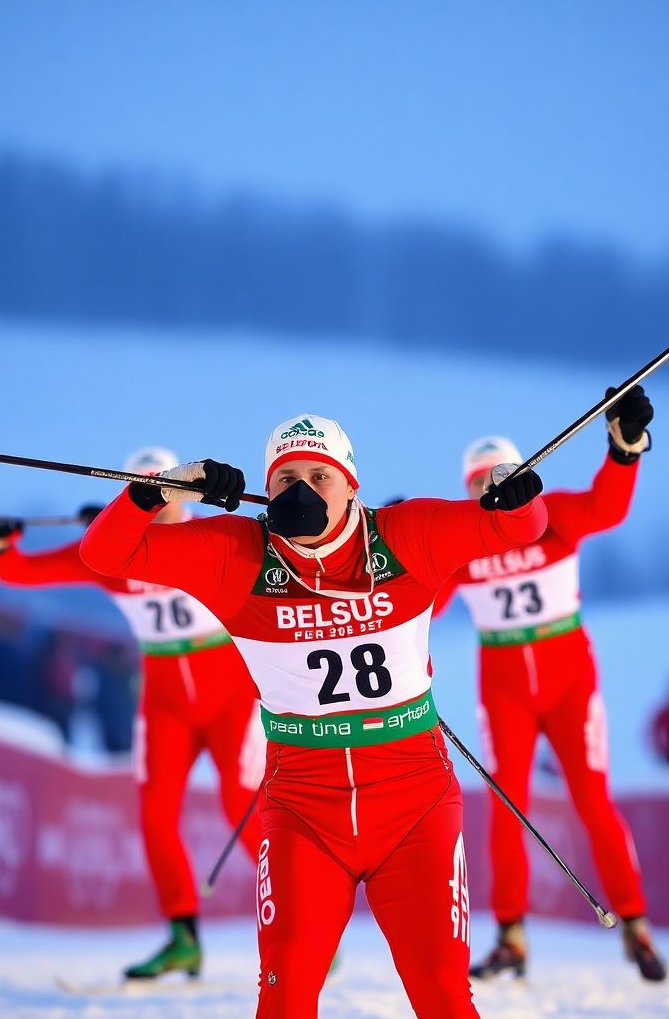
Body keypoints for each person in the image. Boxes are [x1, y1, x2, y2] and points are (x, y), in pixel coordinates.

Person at [80, 413, 548, 1019]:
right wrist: (158, 492)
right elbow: (105, 554)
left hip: (414, 801)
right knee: (284, 994)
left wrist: (515, 490)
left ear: (351, 484)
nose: (302, 490)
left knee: (441, 990)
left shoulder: (407, 534)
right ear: (266, 490)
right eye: (286, 479)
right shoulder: (235, 552)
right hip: (304, 808)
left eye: (319, 476)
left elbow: (520, 527)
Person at [0, 447, 265, 980]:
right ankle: (182, 937)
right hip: (165, 703)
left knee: (240, 806)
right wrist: (1, 545)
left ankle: (298, 919)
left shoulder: (208, 540)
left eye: (169, 488)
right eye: (148, 489)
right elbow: (19, 572)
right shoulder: (112, 554)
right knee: (155, 815)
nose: (162, 500)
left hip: (231, 696)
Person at [434, 386, 667, 983]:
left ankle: (635, 923)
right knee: (507, 805)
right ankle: (510, 935)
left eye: (498, 478)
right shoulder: (464, 536)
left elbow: (606, 509)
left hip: (569, 683)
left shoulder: (550, 515)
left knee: (593, 799)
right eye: (477, 484)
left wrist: (623, 454)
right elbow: (424, 605)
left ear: (521, 476)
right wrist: (394, 554)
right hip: (505, 690)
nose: (488, 492)